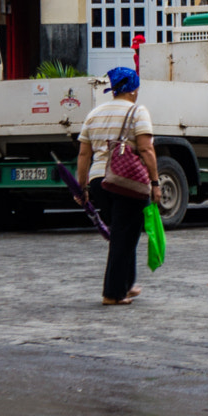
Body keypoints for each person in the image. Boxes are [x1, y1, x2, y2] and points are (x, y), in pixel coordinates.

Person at [74, 67, 158, 306]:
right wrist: (155, 181)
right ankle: (113, 293)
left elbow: (83, 154)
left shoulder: (94, 114)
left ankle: (126, 285)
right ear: (132, 90)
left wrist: (82, 188)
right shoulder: (137, 112)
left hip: (100, 182)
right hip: (127, 182)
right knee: (124, 235)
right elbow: (145, 149)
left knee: (123, 234)